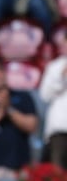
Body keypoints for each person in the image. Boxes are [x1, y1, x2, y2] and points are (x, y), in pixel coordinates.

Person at [40, 30, 67, 171]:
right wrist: (62, 76)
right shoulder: (55, 67)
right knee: (59, 177)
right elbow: (45, 95)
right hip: (60, 131)